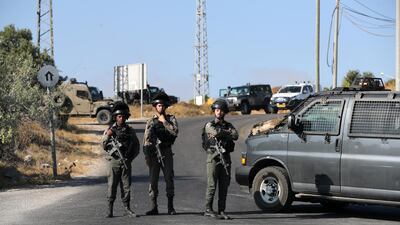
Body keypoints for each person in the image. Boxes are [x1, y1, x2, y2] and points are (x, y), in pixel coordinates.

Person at [102, 102, 140, 218]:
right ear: (115, 117)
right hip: (113, 162)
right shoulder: (110, 129)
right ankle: (110, 209)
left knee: (126, 186)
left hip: (126, 161)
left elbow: (137, 147)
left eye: (123, 116)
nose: (121, 118)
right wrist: (108, 135)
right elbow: (103, 145)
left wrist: (129, 158)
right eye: (119, 116)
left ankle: (127, 208)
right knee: (112, 185)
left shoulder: (130, 131)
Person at [143, 92, 179, 215]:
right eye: (158, 105)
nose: (161, 107)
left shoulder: (171, 119)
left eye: (163, 105)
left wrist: (164, 122)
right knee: (153, 181)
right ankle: (154, 206)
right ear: (155, 106)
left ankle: (170, 206)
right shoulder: (150, 121)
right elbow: (146, 140)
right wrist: (147, 156)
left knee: (169, 179)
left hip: (166, 151)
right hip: (154, 154)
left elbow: (174, 132)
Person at [203, 99, 238, 220]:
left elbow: (235, 135)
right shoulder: (209, 124)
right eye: (217, 110)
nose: (218, 112)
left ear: (224, 112)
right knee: (212, 184)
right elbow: (214, 132)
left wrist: (222, 132)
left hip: (226, 157)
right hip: (213, 156)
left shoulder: (229, 125)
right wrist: (224, 133)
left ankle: (221, 210)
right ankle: (208, 209)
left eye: (221, 110)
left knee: (224, 185)